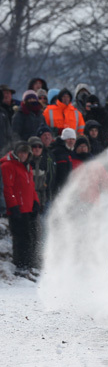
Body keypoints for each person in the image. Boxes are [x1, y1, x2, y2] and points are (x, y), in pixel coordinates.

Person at [1, 141, 40, 278]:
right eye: (21, 152)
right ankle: (20, 264)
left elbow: (31, 186)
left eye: (26, 152)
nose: (23, 155)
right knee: (20, 238)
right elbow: (8, 188)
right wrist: (13, 205)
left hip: (27, 207)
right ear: (16, 152)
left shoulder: (27, 166)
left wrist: (36, 201)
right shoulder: (8, 166)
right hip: (18, 208)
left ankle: (28, 264)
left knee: (29, 237)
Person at [28, 136, 54, 210]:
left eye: (40, 146)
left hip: (41, 201)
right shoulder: (25, 162)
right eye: (34, 146)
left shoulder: (45, 162)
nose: (37, 148)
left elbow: (46, 183)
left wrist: (45, 200)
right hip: (27, 200)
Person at [50, 128, 76, 195]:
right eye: (69, 139)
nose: (71, 141)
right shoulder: (60, 152)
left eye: (73, 139)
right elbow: (62, 175)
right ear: (64, 140)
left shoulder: (67, 152)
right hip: (58, 190)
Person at [0, 85, 16, 153]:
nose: (5, 95)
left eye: (7, 93)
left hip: (10, 145)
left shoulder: (17, 109)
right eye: (3, 93)